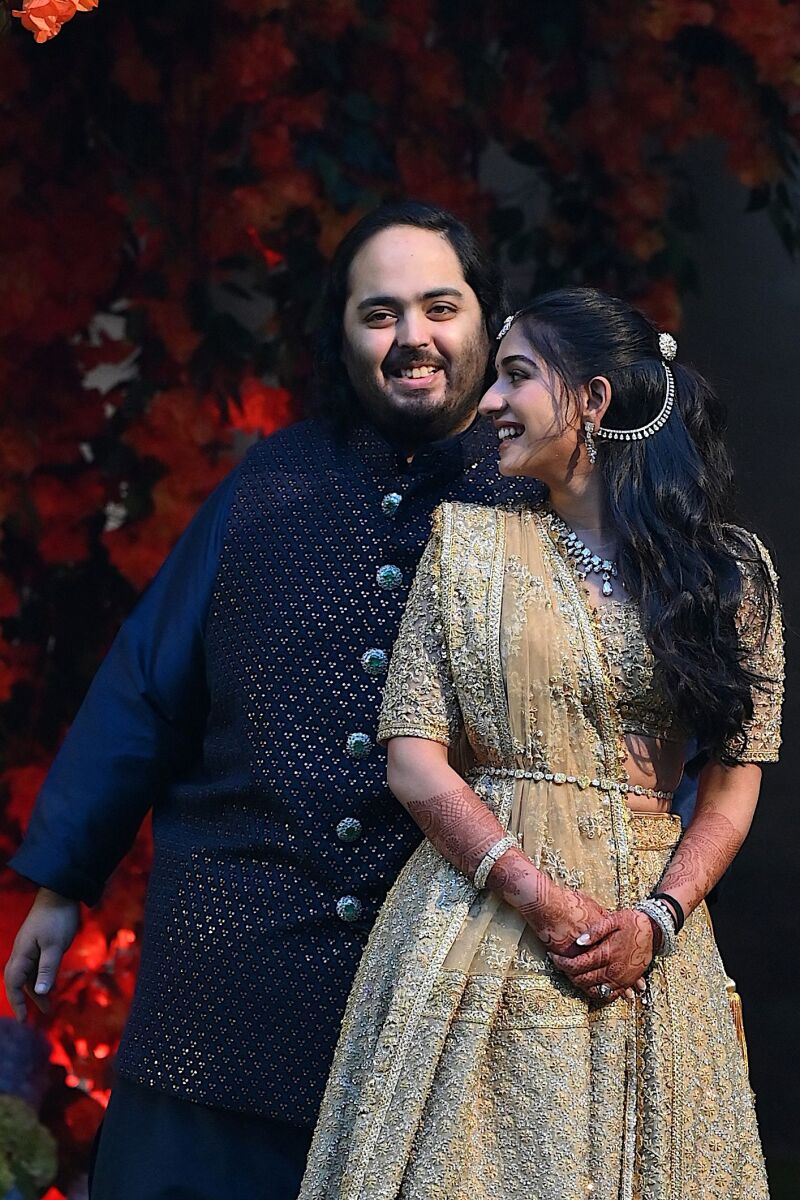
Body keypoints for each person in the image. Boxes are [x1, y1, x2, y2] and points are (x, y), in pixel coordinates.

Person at [3, 202, 542, 1199]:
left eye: (438, 306)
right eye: (377, 314)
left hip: (433, 992)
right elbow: (142, 687)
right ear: (340, 336)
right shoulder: (270, 482)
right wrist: (61, 880)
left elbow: (632, 725)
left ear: (487, 322)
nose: (410, 337)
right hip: (219, 982)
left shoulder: (542, 497)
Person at [298, 288, 783, 1199]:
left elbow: (731, 783)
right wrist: (535, 893)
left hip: (650, 947)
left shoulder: (729, 573)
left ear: (593, 401)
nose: (487, 403)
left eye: (515, 376)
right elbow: (412, 754)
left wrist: (658, 918)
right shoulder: (468, 544)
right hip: (473, 927)